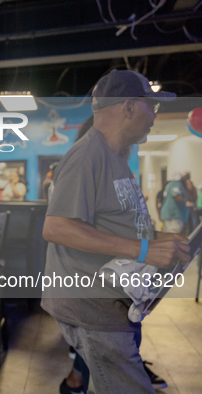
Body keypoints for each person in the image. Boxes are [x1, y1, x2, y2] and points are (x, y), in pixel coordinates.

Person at [41, 69, 191, 394]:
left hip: (116, 304)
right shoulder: (86, 156)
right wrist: (144, 251)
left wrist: (163, 240)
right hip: (91, 308)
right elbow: (56, 227)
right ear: (129, 107)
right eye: (151, 107)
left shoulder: (117, 156)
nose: (154, 116)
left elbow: (119, 224)